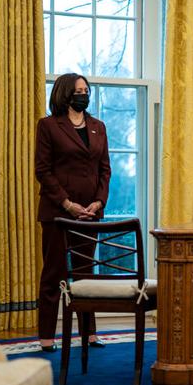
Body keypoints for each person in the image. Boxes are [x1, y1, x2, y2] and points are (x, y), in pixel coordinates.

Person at [34, 73, 111, 352]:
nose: (84, 93)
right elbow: (43, 170)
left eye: (86, 90)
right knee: (53, 273)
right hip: (58, 212)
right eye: (79, 90)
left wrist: (99, 202)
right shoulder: (48, 126)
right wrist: (67, 204)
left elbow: (105, 169)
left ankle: (89, 333)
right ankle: (46, 336)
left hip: (90, 213)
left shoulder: (98, 126)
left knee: (85, 274)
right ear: (66, 93)